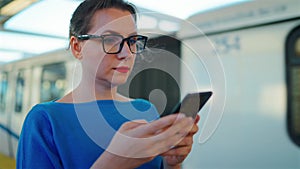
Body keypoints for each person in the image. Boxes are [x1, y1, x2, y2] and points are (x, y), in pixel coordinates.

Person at [16, 0, 200, 168]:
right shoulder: (45, 120)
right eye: (111, 40)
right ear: (77, 47)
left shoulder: (146, 110)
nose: (126, 53)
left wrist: (173, 163)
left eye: (132, 41)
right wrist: (115, 161)